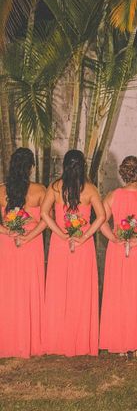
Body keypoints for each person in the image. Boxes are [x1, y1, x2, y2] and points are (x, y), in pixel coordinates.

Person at [41, 150, 105, 356]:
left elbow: (44, 213)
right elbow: (101, 217)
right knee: (80, 289)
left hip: (61, 244)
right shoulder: (91, 189)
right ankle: (79, 340)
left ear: (65, 165)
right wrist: (84, 237)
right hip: (82, 245)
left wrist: (59, 233)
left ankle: (57, 340)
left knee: (59, 290)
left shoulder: (56, 187)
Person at [99, 156, 137, 356]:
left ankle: (121, 343)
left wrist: (114, 239)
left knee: (120, 293)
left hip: (118, 250)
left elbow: (100, 221)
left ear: (123, 174)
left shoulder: (112, 196)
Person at [0, 148, 47, 358]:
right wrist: (29, 236)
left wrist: (8, 231)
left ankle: (7, 339)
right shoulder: (39, 190)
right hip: (31, 243)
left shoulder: (1, 190)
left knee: (8, 290)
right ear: (31, 167)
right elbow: (47, 219)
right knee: (29, 288)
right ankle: (29, 340)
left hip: (8, 242)